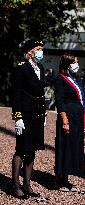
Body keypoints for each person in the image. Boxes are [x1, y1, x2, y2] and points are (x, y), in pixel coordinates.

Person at [11, 38, 47, 199]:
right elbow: (16, 93)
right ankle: (15, 185)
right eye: (38, 49)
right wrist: (17, 116)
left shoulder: (41, 68)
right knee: (21, 149)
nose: (41, 52)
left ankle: (27, 184)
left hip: (37, 114)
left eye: (41, 49)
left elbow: (41, 93)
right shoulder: (22, 69)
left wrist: (44, 113)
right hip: (25, 114)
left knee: (32, 150)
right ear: (29, 52)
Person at [54, 53, 85, 191]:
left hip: (77, 118)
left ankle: (66, 178)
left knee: (73, 148)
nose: (77, 64)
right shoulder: (60, 79)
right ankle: (59, 180)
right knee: (64, 147)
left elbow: (81, 99)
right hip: (68, 117)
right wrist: (65, 121)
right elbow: (60, 102)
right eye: (75, 62)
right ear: (68, 64)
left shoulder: (75, 78)